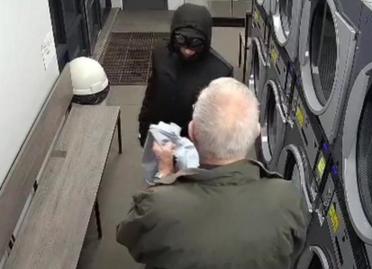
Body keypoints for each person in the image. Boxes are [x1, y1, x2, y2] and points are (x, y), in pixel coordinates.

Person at [117, 78, 308, 269]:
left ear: (192, 132)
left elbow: (131, 240)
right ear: (257, 132)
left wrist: (166, 176)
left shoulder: (157, 206)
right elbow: (293, 252)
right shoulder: (287, 199)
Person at [138, 3, 233, 146]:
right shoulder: (160, 54)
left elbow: (221, 123)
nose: (188, 51)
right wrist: (143, 127)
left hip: (194, 147)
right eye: (182, 42)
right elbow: (151, 95)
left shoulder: (220, 72)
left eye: (196, 44)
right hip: (159, 138)